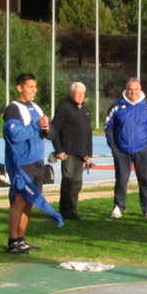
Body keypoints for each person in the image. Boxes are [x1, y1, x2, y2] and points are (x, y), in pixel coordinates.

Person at [3, 73, 63, 255]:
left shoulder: (36, 107)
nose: (34, 90)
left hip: (38, 162)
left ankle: (21, 240)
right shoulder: (13, 109)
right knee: (20, 200)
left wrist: (46, 129)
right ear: (19, 88)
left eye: (35, 87)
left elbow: (50, 133)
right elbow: (15, 135)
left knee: (30, 202)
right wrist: (37, 126)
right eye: (30, 87)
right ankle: (12, 242)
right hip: (22, 163)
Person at [104, 78, 147, 219]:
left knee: (144, 180)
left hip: (143, 149)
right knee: (121, 180)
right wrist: (113, 146)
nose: (133, 92)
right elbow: (108, 127)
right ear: (126, 89)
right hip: (121, 150)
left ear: (140, 90)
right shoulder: (117, 106)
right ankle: (118, 207)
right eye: (130, 89)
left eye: (136, 89)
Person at [51, 82, 93, 220]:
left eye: (82, 93)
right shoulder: (64, 108)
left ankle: (72, 210)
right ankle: (65, 211)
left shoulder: (85, 109)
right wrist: (59, 149)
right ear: (71, 93)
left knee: (77, 183)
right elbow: (54, 129)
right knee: (68, 182)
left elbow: (88, 133)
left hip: (81, 154)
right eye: (77, 93)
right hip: (68, 153)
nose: (80, 95)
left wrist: (89, 154)